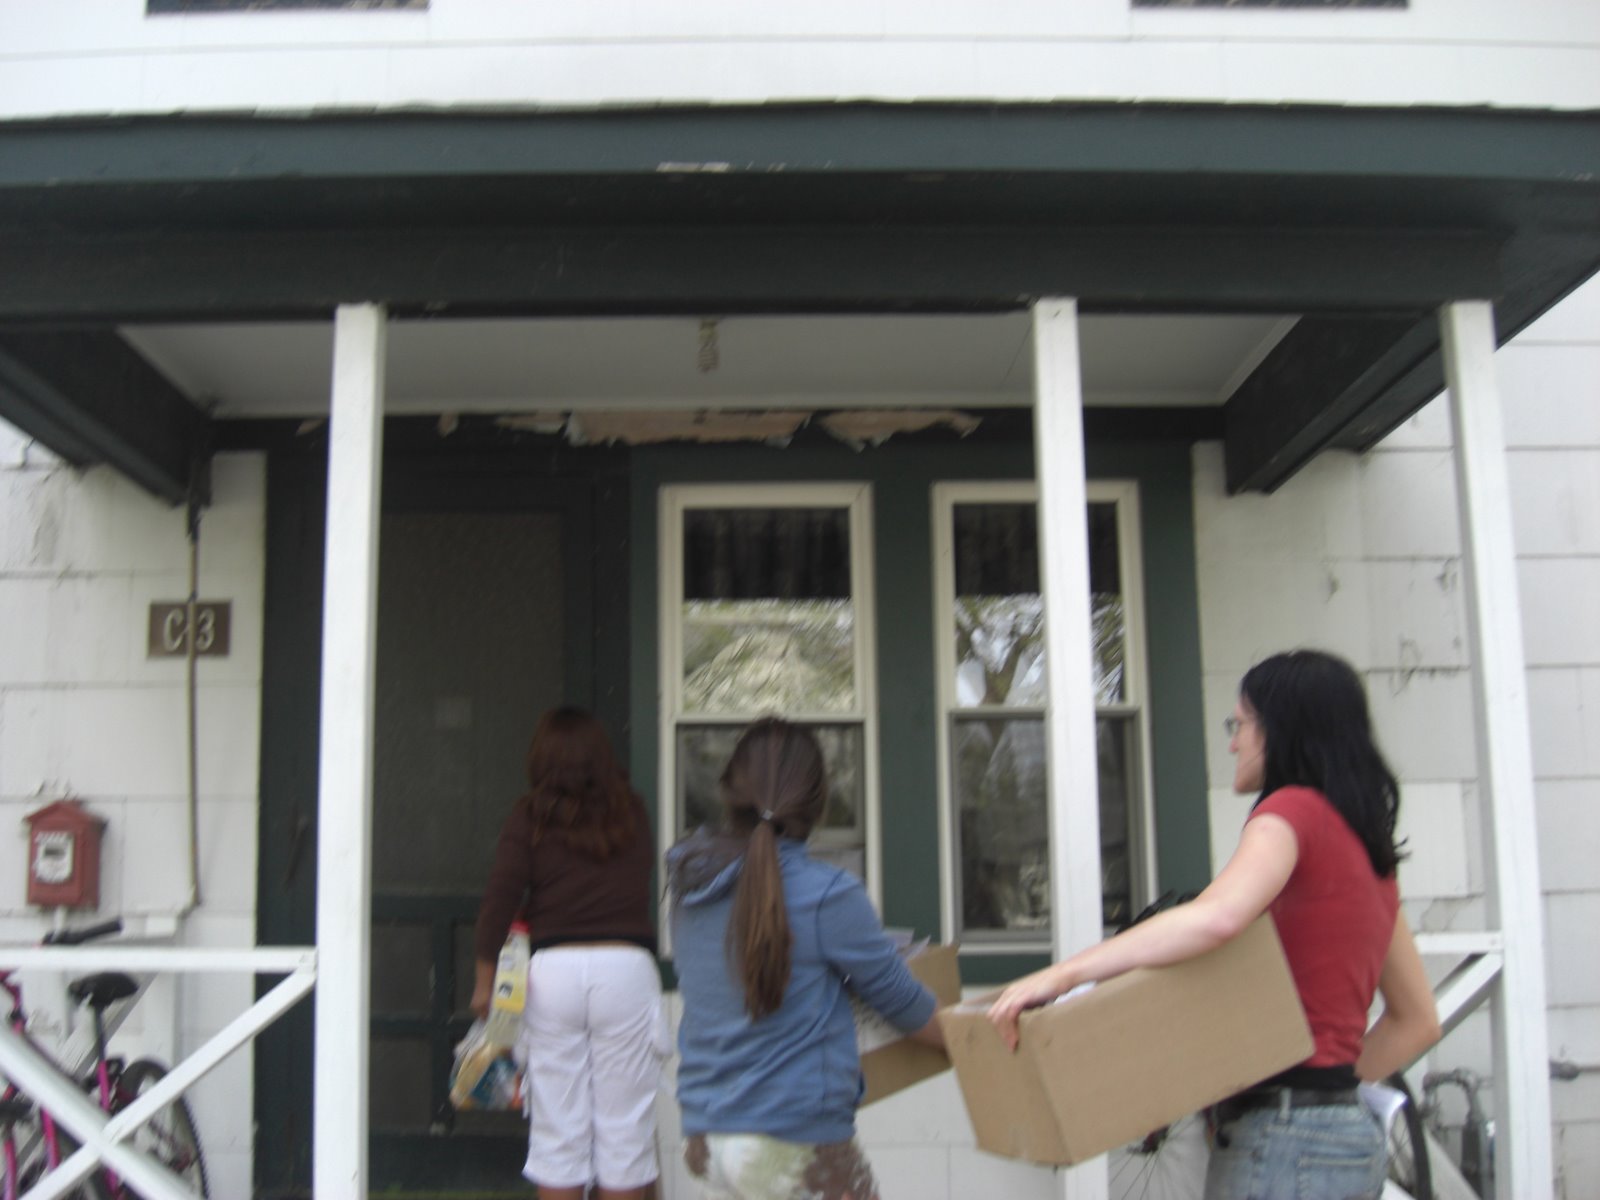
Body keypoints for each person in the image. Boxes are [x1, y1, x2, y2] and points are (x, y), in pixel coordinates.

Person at [988, 649, 1442, 1200]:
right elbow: (1418, 1021)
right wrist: (1326, 1092)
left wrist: (1060, 976)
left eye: (1240, 724)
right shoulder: (1369, 851)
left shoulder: (1289, 812)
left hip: (1281, 1146)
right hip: (1349, 1139)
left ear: (1279, 730)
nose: (1233, 742)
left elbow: (1218, 917)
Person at [668, 718, 945, 1200]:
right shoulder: (830, 894)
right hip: (791, 1142)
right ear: (818, 802)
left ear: (729, 791)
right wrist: (972, 1037)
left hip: (705, 1137)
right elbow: (903, 1002)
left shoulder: (690, 889)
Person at [473, 706, 664, 1200]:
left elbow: (500, 897)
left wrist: (484, 981)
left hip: (552, 975)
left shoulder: (529, 816)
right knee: (625, 1138)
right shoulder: (632, 811)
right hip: (625, 971)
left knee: (559, 1138)